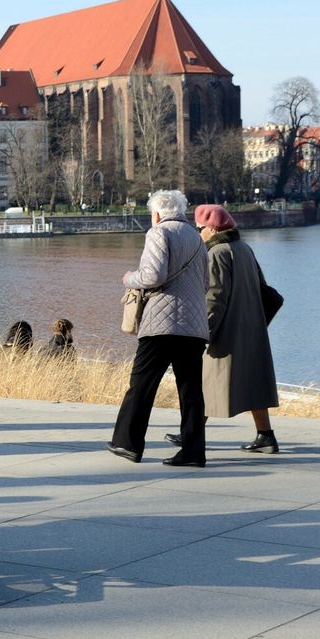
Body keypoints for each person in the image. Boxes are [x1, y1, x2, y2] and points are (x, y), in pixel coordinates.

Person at [108, 190, 209, 467]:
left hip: (161, 324)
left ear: (156, 214)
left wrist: (130, 278)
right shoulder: (197, 239)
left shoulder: (158, 232)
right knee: (191, 390)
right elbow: (206, 283)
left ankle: (128, 443)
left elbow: (153, 275)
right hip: (194, 326)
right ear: (182, 211)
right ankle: (193, 453)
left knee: (142, 384)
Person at [170, 205, 280, 453]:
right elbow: (261, 286)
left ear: (212, 229)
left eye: (199, 228)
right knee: (253, 382)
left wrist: (204, 331)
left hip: (226, 329)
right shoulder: (244, 247)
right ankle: (265, 435)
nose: (198, 233)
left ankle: (191, 434)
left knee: (205, 381)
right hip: (250, 326)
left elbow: (214, 297)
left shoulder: (217, 253)